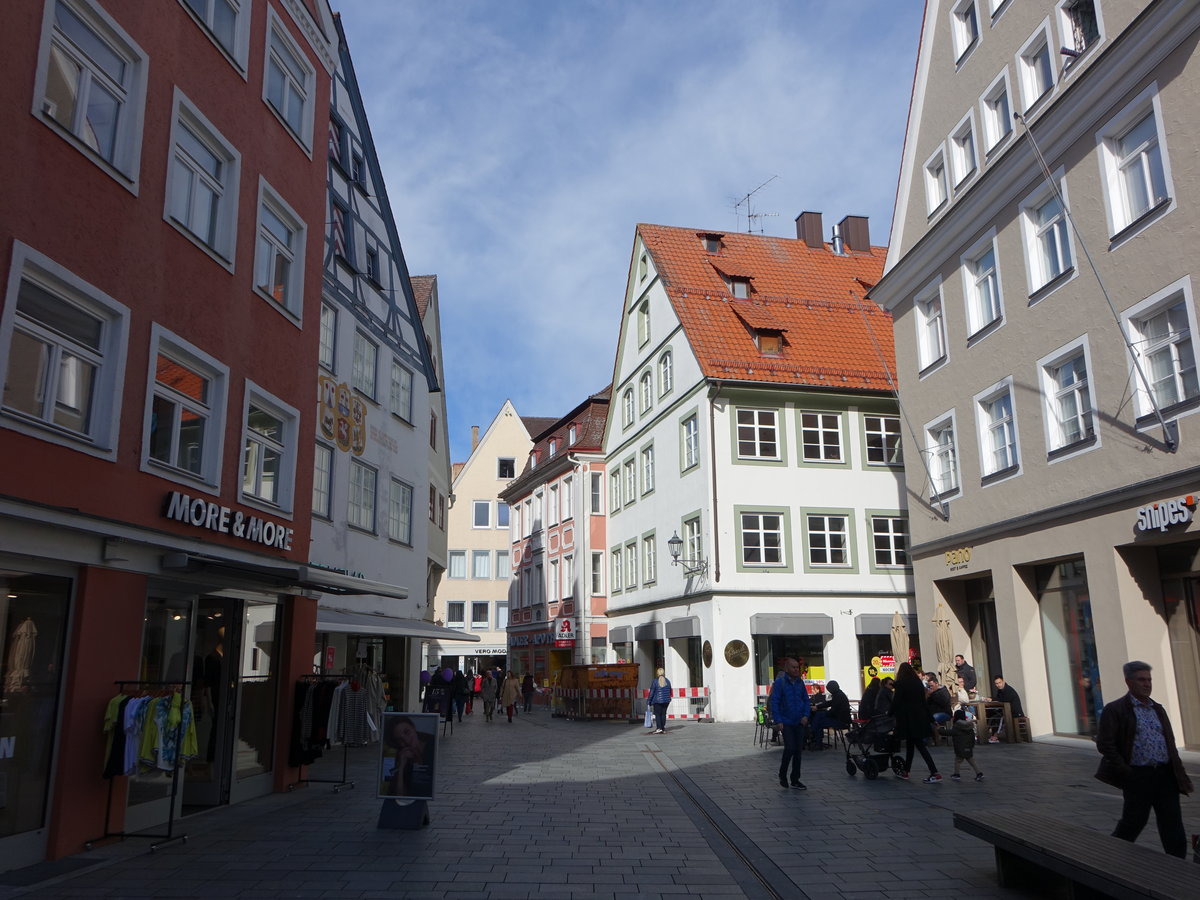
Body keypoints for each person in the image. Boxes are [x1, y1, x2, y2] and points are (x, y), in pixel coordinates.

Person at [1095, 661, 1193, 858]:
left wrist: (1179, 773)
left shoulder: (1157, 709)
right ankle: (1112, 856)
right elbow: (1105, 744)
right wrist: (1126, 771)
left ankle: (1179, 866)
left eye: (1149, 679)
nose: (1147, 684)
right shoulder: (1116, 709)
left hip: (1165, 774)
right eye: (1142, 679)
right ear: (1128, 681)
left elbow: (1170, 744)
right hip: (1138, 775)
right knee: (1134, 822)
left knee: (1172, 823)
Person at [890, 662, 941, 783]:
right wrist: (931, 719)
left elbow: (896, 701)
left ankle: (934, 772)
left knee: (919, 746)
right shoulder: (918, 683)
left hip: (908, 720)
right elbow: (924, 703)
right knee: (911, 746)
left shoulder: (901, 684)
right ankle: (906, 771)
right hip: (920, 718)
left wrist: (890, 713)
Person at [768, 657, 811, 790]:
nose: (796, 669)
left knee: (798, 751)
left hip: (799, 721)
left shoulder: (800, 683)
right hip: (786, 722)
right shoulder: (780, 683)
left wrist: (806, 715)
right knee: (790, 748)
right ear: (787, 669)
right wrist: (778, 720)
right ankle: (782, 774)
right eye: (793, 667)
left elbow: (806, 700)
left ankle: (795, 779)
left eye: (797, 667)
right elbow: (775, 702)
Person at [383, 716, 432, 797]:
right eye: (400, 740)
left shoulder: (431, 747)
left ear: (413, 728)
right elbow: (399, 795)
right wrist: (401, 767)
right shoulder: (401, 755)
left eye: (407, 732)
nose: (406, 740)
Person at [938, 709, 983, 781]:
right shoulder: (969, 726)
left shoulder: (957, 726)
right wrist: (971, 746)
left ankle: (957, 774)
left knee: (958, 760)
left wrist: (939, 730)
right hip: (968, 747)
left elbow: (950, 732)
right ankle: (979, 773)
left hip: (960, 747)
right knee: (971, 760)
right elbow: (972, 737)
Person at [810, 680, 851, 748]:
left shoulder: (838, 696)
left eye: (829, 689)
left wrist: (823, 713)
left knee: (818, 721)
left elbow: (833, 712)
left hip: (840, 721)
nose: (829, 691)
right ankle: (816, 739)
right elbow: (830, 703)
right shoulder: (839, 694)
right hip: (841, 719)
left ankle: (816, 740)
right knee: (818, 718)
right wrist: (817, 707)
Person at [984, 675, 1024, 742]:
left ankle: (995, 736)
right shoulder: (1000, 690)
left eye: (999, 682)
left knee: (999, 717)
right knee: (990, 714)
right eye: (996, 683)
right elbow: (999, 699)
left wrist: (992, 699)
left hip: (1014, 712)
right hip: (1006, 710)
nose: (998, 685)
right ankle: (985, 733)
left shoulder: (1008, 690)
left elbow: (1004, 699)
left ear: (1003, 681)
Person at [647, 667, 672, 734]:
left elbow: (652, 692)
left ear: (657, 673)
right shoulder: (667, 681)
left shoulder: (655, 681)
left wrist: (649, 701)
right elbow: (670, 691)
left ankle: (659, 728)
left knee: (658, 714)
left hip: (657, 701)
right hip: (666, 701)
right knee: (663, 714)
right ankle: (663, 728)